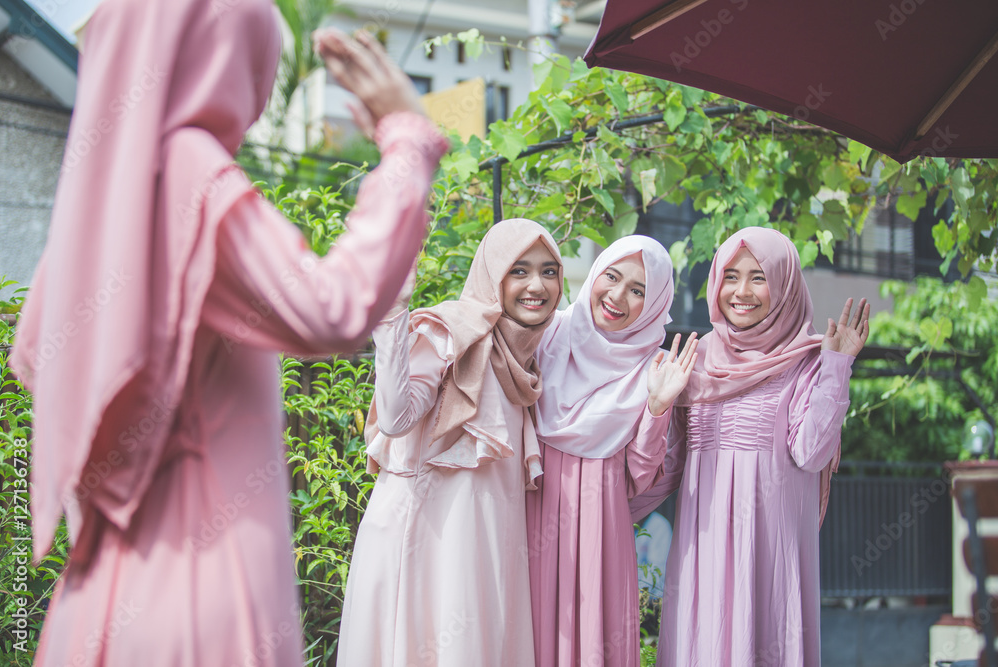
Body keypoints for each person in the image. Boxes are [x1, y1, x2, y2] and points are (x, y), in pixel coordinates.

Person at [9, 0, 448, 664]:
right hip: (198, 582)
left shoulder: (103, 194)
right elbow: (331, 307)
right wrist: (407, 141)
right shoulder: (190, 169)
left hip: (103, 595)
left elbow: (41, 359)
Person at [631, 227, 870, 667]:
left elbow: (811, 453)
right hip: (702, 546)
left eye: (758, 277)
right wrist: (658, 407)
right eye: (730, 276)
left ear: (783, 285)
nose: (741, 292)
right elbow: (667, 467)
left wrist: (837, 366)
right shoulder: (696, 358)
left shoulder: (807, 361)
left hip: (770, 544)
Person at [337, 218, 564, 667]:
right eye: (518, 270)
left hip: (484, 552)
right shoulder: (451, 331)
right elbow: (399, 416)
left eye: (549, 271)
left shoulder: (530, 358)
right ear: (491, 273)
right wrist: (393, 313)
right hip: (424, 545)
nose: (536, 285)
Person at [526, 235, 699, 667]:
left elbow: (639, 477)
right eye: (612, 276)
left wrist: (658, 408)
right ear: (595, 274)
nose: (617, 296)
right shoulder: (545, 337)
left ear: (656, 302)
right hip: (527, 514)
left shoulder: (653, 369)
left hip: (599, 529)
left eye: (638, 290)